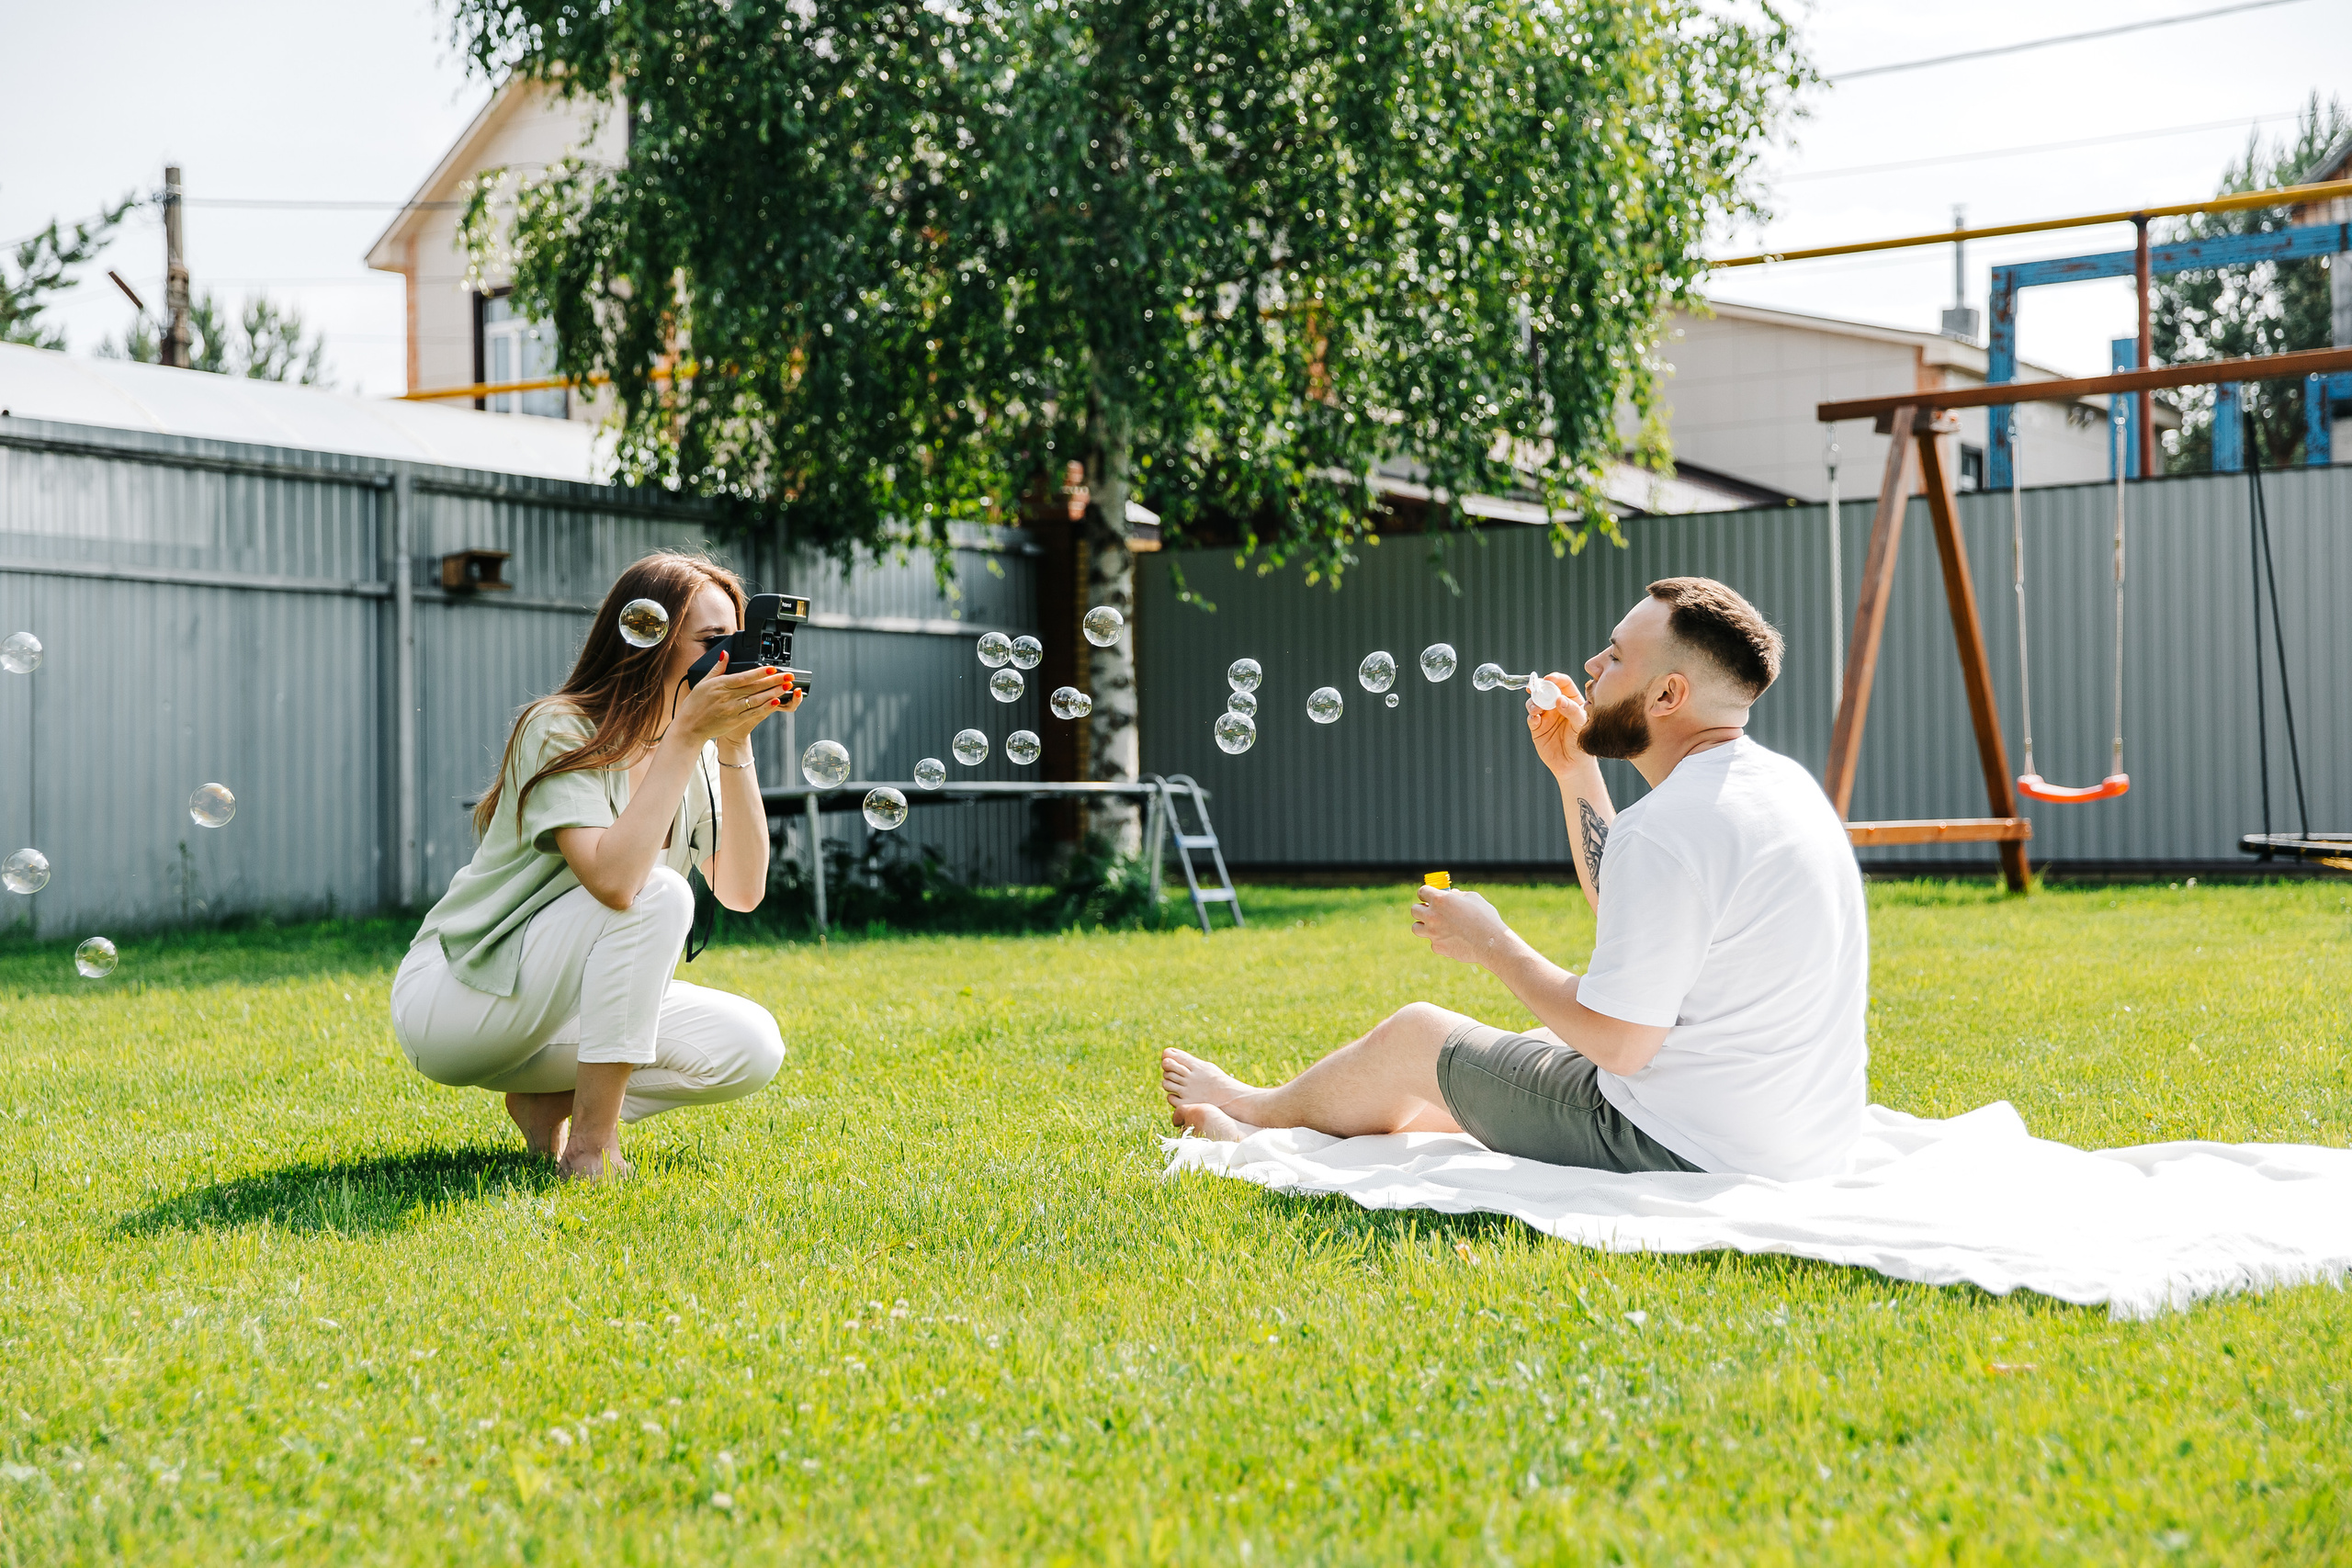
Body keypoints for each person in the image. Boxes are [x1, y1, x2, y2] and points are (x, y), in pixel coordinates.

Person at [1162, 576, 1869, 1181]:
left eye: (1617, 656)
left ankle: (1250, 1116)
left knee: (1418, 1034)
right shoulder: (1783, 787)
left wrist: (1492, 942)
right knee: (1525, 1046)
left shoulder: (1668, 826)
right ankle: (1283, 1116)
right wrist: (1575, 770)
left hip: (1682, 1147)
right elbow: (1638, 906)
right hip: (1792, 1138)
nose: (1593, 664)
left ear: (1666, 696)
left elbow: (1623, 1046)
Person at [391, 550, 797, 1179]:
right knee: (657, 893)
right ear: (649, 641)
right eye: (715, 642)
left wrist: (733, 743)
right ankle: (590, 1148)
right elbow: (615, 883)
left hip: (562, 1013)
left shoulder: (700, 750)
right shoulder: (560, 727)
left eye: (737, 641)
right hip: (458, 1000)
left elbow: (742, 890)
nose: (733, 659)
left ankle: (546, 1101)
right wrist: (691, 737)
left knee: (751, 1045)